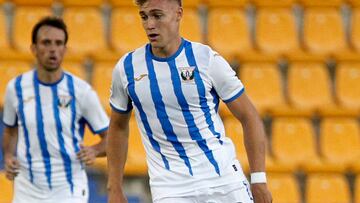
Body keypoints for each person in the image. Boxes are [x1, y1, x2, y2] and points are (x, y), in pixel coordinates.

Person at [107, 0, 272, 202]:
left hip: (224, 180)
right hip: (171, 189)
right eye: (144, 16)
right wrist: (114, 188)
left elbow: (249, 116)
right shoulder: (127, 68)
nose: (149, 24)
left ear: (179, 13)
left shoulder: (206, 59)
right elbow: (117, 127)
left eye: (157, 15)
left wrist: (259, 179)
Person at [2, 16, 109, 203]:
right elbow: (11, 131)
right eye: (46, 42)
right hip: (27, 189)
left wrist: (95, 150)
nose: (53, 49)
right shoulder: (15, 88)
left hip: (68, 188)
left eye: (59, 43)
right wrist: (9, 157)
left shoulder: (81, 91)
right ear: (33, 48)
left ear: (65, 50)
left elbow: (112, 137)